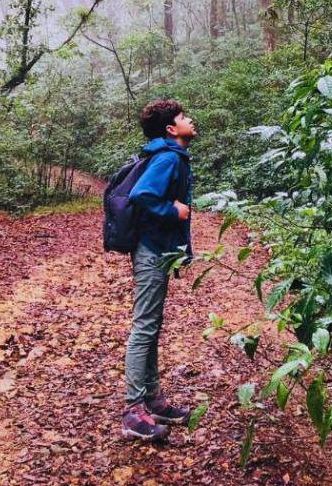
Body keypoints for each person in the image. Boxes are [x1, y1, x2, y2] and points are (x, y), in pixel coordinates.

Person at [119, 99, 196, 442]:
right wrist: (173, 210)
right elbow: (143, 195)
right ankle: (133, 410)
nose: (189, 120)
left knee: (151, 326)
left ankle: (153, 399)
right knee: (144, 327)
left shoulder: (172, 156)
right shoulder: (168, 157)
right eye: (183, 117)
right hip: (151, 251)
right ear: (171, 129)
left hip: (157, 250)